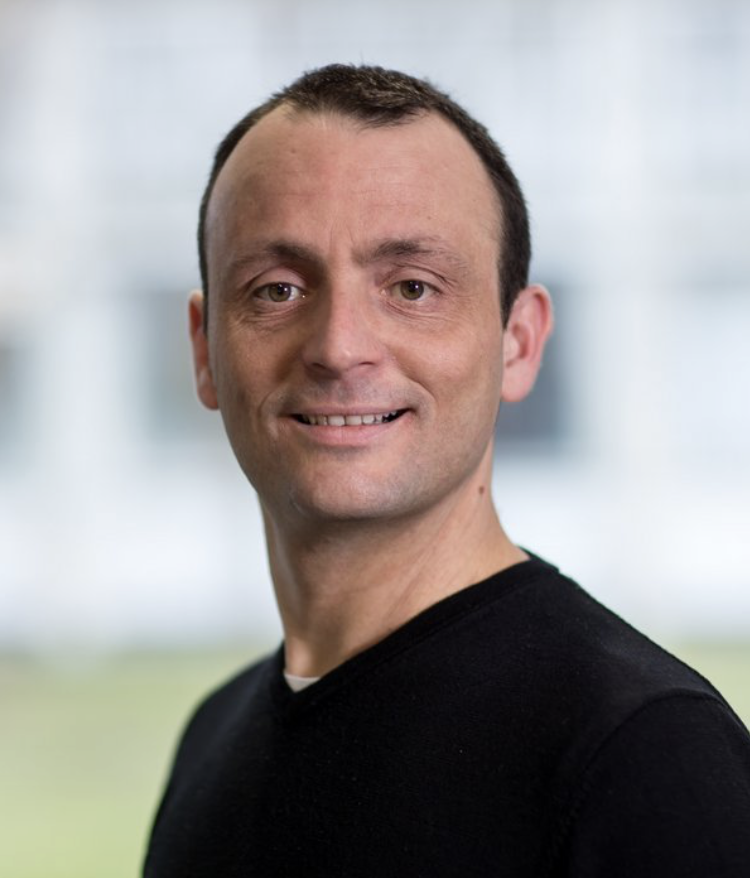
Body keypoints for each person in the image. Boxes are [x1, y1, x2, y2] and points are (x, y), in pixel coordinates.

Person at [144, 64, 750, 877]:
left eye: (412, 287)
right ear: (204, 348)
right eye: (278, 290)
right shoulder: (213, 741)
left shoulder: (643, 756)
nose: (339, 347)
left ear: (519, 343)